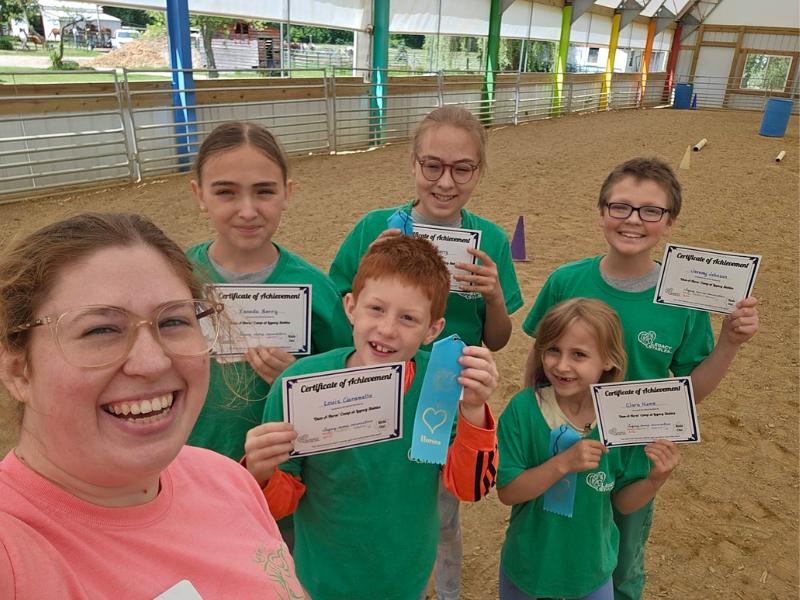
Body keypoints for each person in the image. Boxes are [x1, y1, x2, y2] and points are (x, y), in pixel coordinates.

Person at [0, 213, 304, 599]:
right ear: (18, 370)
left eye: (173, 321)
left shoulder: (227, 480)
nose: (153, 362)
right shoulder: (13, 554)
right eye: (101, 330)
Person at [522, 157, 760, 600]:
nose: (633, 220)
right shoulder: (565, 281)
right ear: (601, 213)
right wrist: (531, 425)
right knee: (550, 543)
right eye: (620, 207)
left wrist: (728, 343)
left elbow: (691, 392)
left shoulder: (683, 300)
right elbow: (538, 362)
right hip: (562, 446)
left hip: (634, 457)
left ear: (669, 223)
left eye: (651, 211)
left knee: (622, 559)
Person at [328, 104, 523, 600]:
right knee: (370, 497)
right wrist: (368, 264)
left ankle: (444, 591)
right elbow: (340, 314)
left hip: (441, 405)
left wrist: (494, 296)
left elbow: (496, 339)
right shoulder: (374, 226)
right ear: (414, 164)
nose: (445, 182)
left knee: (438, 511)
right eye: (432, 165)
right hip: (374, 394)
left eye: (462, 169)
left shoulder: (492, 240)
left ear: (478, 171)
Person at [245, 235, 499, 600]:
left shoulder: (440, 383)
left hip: (405, 582)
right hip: (322, 584)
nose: (387, 329)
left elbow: (470, 488)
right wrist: (261, 472)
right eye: (376, 309)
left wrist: (473, 409)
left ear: (433, 329)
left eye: (408, 318)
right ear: (351, 307)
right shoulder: (298, 384)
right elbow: (279, 505)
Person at [186, 122, 351, 462]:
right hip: (195, 468)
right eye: (225, 192)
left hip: (285, 480)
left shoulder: (317, 291)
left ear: (287, 193)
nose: (247, 211)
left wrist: (298, 381)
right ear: (199, 194)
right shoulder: (174, 279)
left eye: (264, 191)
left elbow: (345, 389)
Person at [498, 298, 680, 600]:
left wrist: (654, 480)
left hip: (591, 574)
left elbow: (622, 502)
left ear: (609, 360)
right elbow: (508, 492)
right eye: (553, 349)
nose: (562, 365)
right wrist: (562, 464)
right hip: (530, 569)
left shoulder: (621, 420)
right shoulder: (523, 410)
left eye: (579, 354)